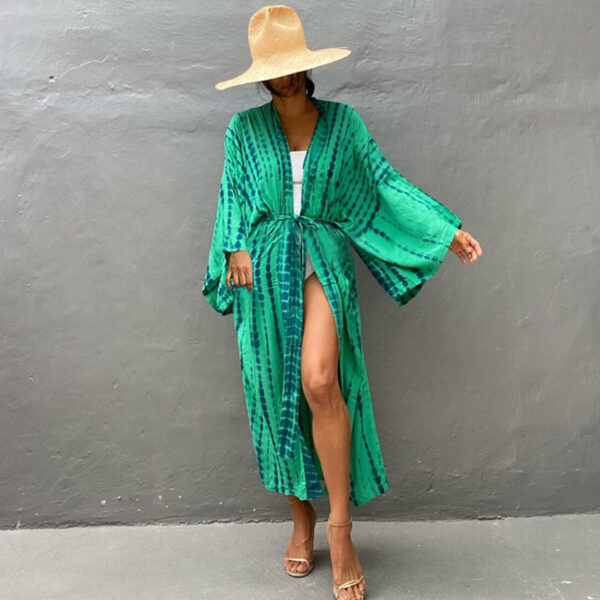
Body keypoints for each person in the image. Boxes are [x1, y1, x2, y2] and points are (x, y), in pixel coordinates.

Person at [202, 6, 483, 600]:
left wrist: (443, 231)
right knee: (275, 386)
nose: (283, 79)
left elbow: (383, 182)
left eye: (290, 67)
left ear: (307, 67)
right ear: (262, 76)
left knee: (320, 380)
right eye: (272, 71)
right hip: (265, 264)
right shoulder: (242, 130)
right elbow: (232, 194)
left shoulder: (344, 124)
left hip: (322, 262)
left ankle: (340, 525)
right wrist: (233, 246)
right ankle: (300, 518)